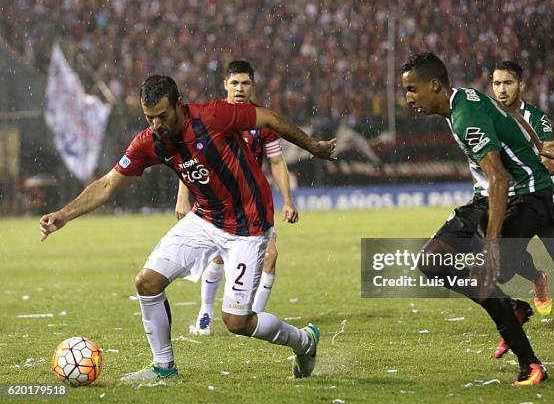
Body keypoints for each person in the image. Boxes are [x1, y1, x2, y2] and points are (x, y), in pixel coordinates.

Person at [39, 75, 336, 381]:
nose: (157, 125)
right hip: (205, 218)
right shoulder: (150, 141)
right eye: (149, 118)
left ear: (178, 106)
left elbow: (269, 119)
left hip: (248, 225)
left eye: (162, 116)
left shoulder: (214, 116)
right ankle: (164, 368)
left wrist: (312, 146)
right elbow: (108, 184)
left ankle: (304, 341)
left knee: (237, 321)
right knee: (147, 282)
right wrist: (64, 214)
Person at [400, 52, 554, 386]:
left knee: (483, 274)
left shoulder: (465, 118)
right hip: (489, 197)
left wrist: (490, 247)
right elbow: (506, 112)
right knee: (432, 261)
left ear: (434, 85)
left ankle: (531, 365)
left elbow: (501, 179)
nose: (408, 98)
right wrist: (539, 146)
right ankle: (512, 308)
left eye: (412, 90)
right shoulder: (464, 97)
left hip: (527, 196)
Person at [174, 60, 298, 335]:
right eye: (234, 83)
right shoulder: (212, 116)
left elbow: (277, 162)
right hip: (216, 201)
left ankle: (253, 316)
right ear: (225, 85)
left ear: (253, 86)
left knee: (271, 255)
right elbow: (188, 158)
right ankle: (205, 313)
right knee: (218, 258)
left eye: (245, 83)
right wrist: (183, 196)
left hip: (251, 203)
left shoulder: (262, 120)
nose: (240, 88)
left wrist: (288, 200)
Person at [491, 60, 554, 331]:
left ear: (521, 86)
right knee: (504, 265)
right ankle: (537, 278)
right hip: (514, 203)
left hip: (543, 202)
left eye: (508, 83)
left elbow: (549, 164)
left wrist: (545, 156)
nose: (501, 89)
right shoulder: (486, 119)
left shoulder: (536, 118)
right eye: (497, 83)